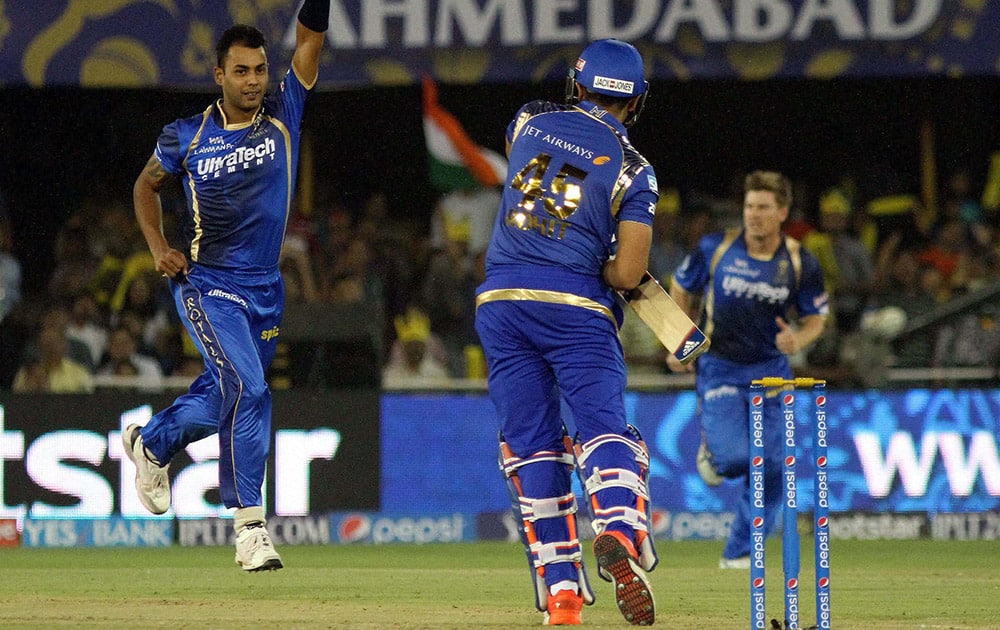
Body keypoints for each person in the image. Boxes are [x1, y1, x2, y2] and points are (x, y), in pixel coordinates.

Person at [123, 0, 330, 572]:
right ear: (219, 74)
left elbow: (310, 39)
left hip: (265, 288)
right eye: (240, 71)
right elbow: (145, 187)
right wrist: (157, 249)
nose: (253, 81)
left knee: (227, 395)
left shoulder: (286, 111)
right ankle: (248, 527)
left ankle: (153, 443)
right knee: (251, 389)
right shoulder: (187, 136)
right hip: (205, 283)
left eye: (259, 69)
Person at [474, 39, 658, 626]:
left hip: (501, 299)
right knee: (603, 428)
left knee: (531, 445)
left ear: (576, 86)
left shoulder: (529, 119)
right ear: (638, 101)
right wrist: (598, 259)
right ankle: (621, 534)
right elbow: (629, 273)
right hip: (576, 305)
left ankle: (562, 598)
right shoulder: (635, 170)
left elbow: (535, 181)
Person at [667, 171, 829, 568]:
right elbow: (681, 287)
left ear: (783, 212)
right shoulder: (715, 248)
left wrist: (798, 341)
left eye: (763, 208)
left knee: (775, 467)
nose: (754, 215)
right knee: (738, 461)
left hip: (772, 369)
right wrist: (679, 341)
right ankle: (713, 451)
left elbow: (816, 317)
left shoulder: (799, 260)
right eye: (749, 206)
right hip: (720, 366)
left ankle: (738, 552)